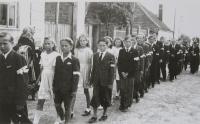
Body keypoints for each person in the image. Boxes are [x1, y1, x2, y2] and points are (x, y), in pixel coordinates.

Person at [0, 32, 31, 124]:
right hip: (2, 100)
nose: (2, 46)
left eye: (5, 43)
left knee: (22, 122)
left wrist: (20, 102)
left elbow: (23, 82)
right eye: (0, 44)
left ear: (12, 43)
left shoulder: (19, 58)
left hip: (15, 101)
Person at [33, 37, 60, 124]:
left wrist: (55, 82)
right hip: (44, 77)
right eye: (45, 43)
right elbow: (41, 69)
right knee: (40, 99)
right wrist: (37, 80)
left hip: (52, 77)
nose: (47, 45)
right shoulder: (42, 54)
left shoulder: (56, 55)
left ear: (53, 44)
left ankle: (58, 118)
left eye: (49, 43)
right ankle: (36, 120)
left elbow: (57, 70)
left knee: (56, 100)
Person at [53, 38, 80, 124]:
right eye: (62, 46)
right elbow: (55, 74)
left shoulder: (74, 60)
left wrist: (74, 90)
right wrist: (54, 86)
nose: (63, 47)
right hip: (58, 88)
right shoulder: (57, 58)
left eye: (66, 46)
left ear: (71, 47)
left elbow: (76, 76)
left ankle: (66, 122)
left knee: (67, 107)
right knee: (57, 105)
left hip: (68, 89)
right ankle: (62, 117)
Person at [88, 39, 115, 123]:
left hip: (106, 82)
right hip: (96, 81)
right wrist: (91, 80)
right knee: (95, 97)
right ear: (97, 46)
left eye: (104, 45)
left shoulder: (111, 56)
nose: (102, 47)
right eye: (100, 45)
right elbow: (93, 69)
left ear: (107, 46)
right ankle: (94, 115)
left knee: (105, 97)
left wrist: (110, 83)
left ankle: (104, 114)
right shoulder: (95, 55)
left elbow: (112, 70)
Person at [118, 35, 139, 112]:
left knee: (129, 89)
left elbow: (135, 64)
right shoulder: (121, 51)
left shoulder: (135, 51)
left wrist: (128, 73)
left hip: (131, 74)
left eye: (129, 42)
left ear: (131, 42)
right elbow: (119, 63)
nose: (127, 43)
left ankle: (127, 105)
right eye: (126, 42)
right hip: (122, 74)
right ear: (124, 42)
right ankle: (122, 104)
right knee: (123, 89)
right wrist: (122, 72)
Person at [74, 35, 93, 116]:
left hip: (86, 70)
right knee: (74, 90)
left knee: (86, 90)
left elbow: (91, 63)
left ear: (87, 41)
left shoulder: (89, 50)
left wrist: (90, 73)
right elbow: (74, 60)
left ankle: (88, 108)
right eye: (81, 40)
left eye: (84, 40)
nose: (82, 42)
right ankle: (71, 110)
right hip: (77, 69)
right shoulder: (76, 50)